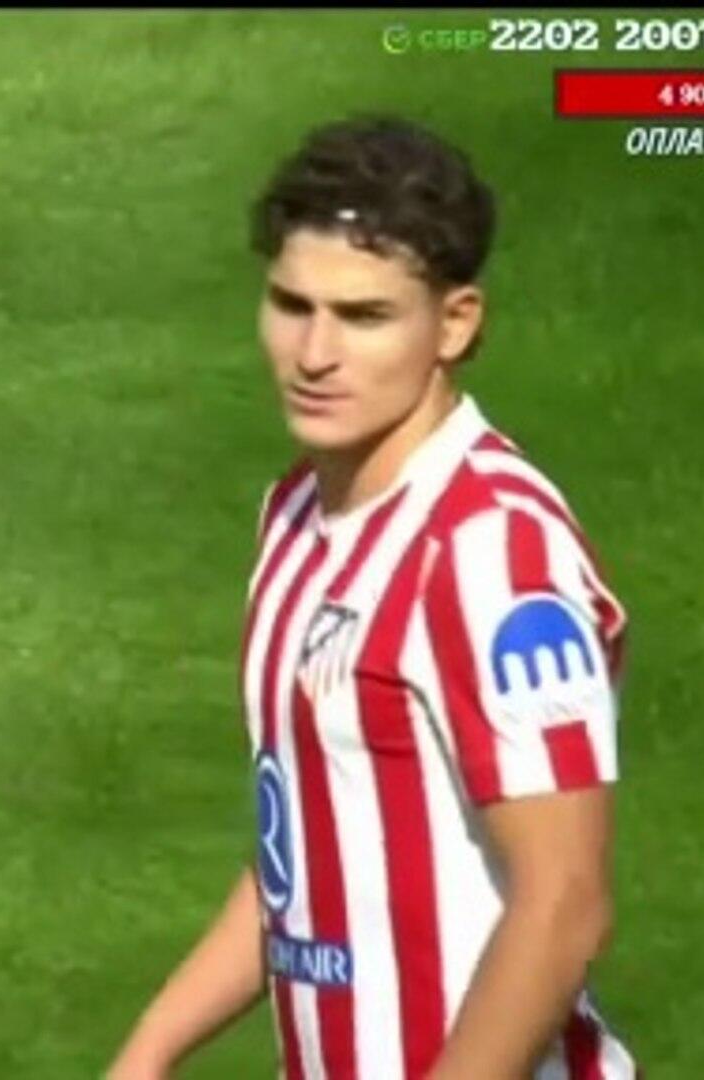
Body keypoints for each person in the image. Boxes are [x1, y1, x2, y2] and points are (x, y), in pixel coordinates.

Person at [107, 116, 641, 1079]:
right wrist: (148, 1052)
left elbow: (564, 903)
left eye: (363, 317)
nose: (314, 353)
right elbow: (309, 855)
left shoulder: (492, 553)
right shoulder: (295, 518)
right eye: (291, 305)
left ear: (455, 323)